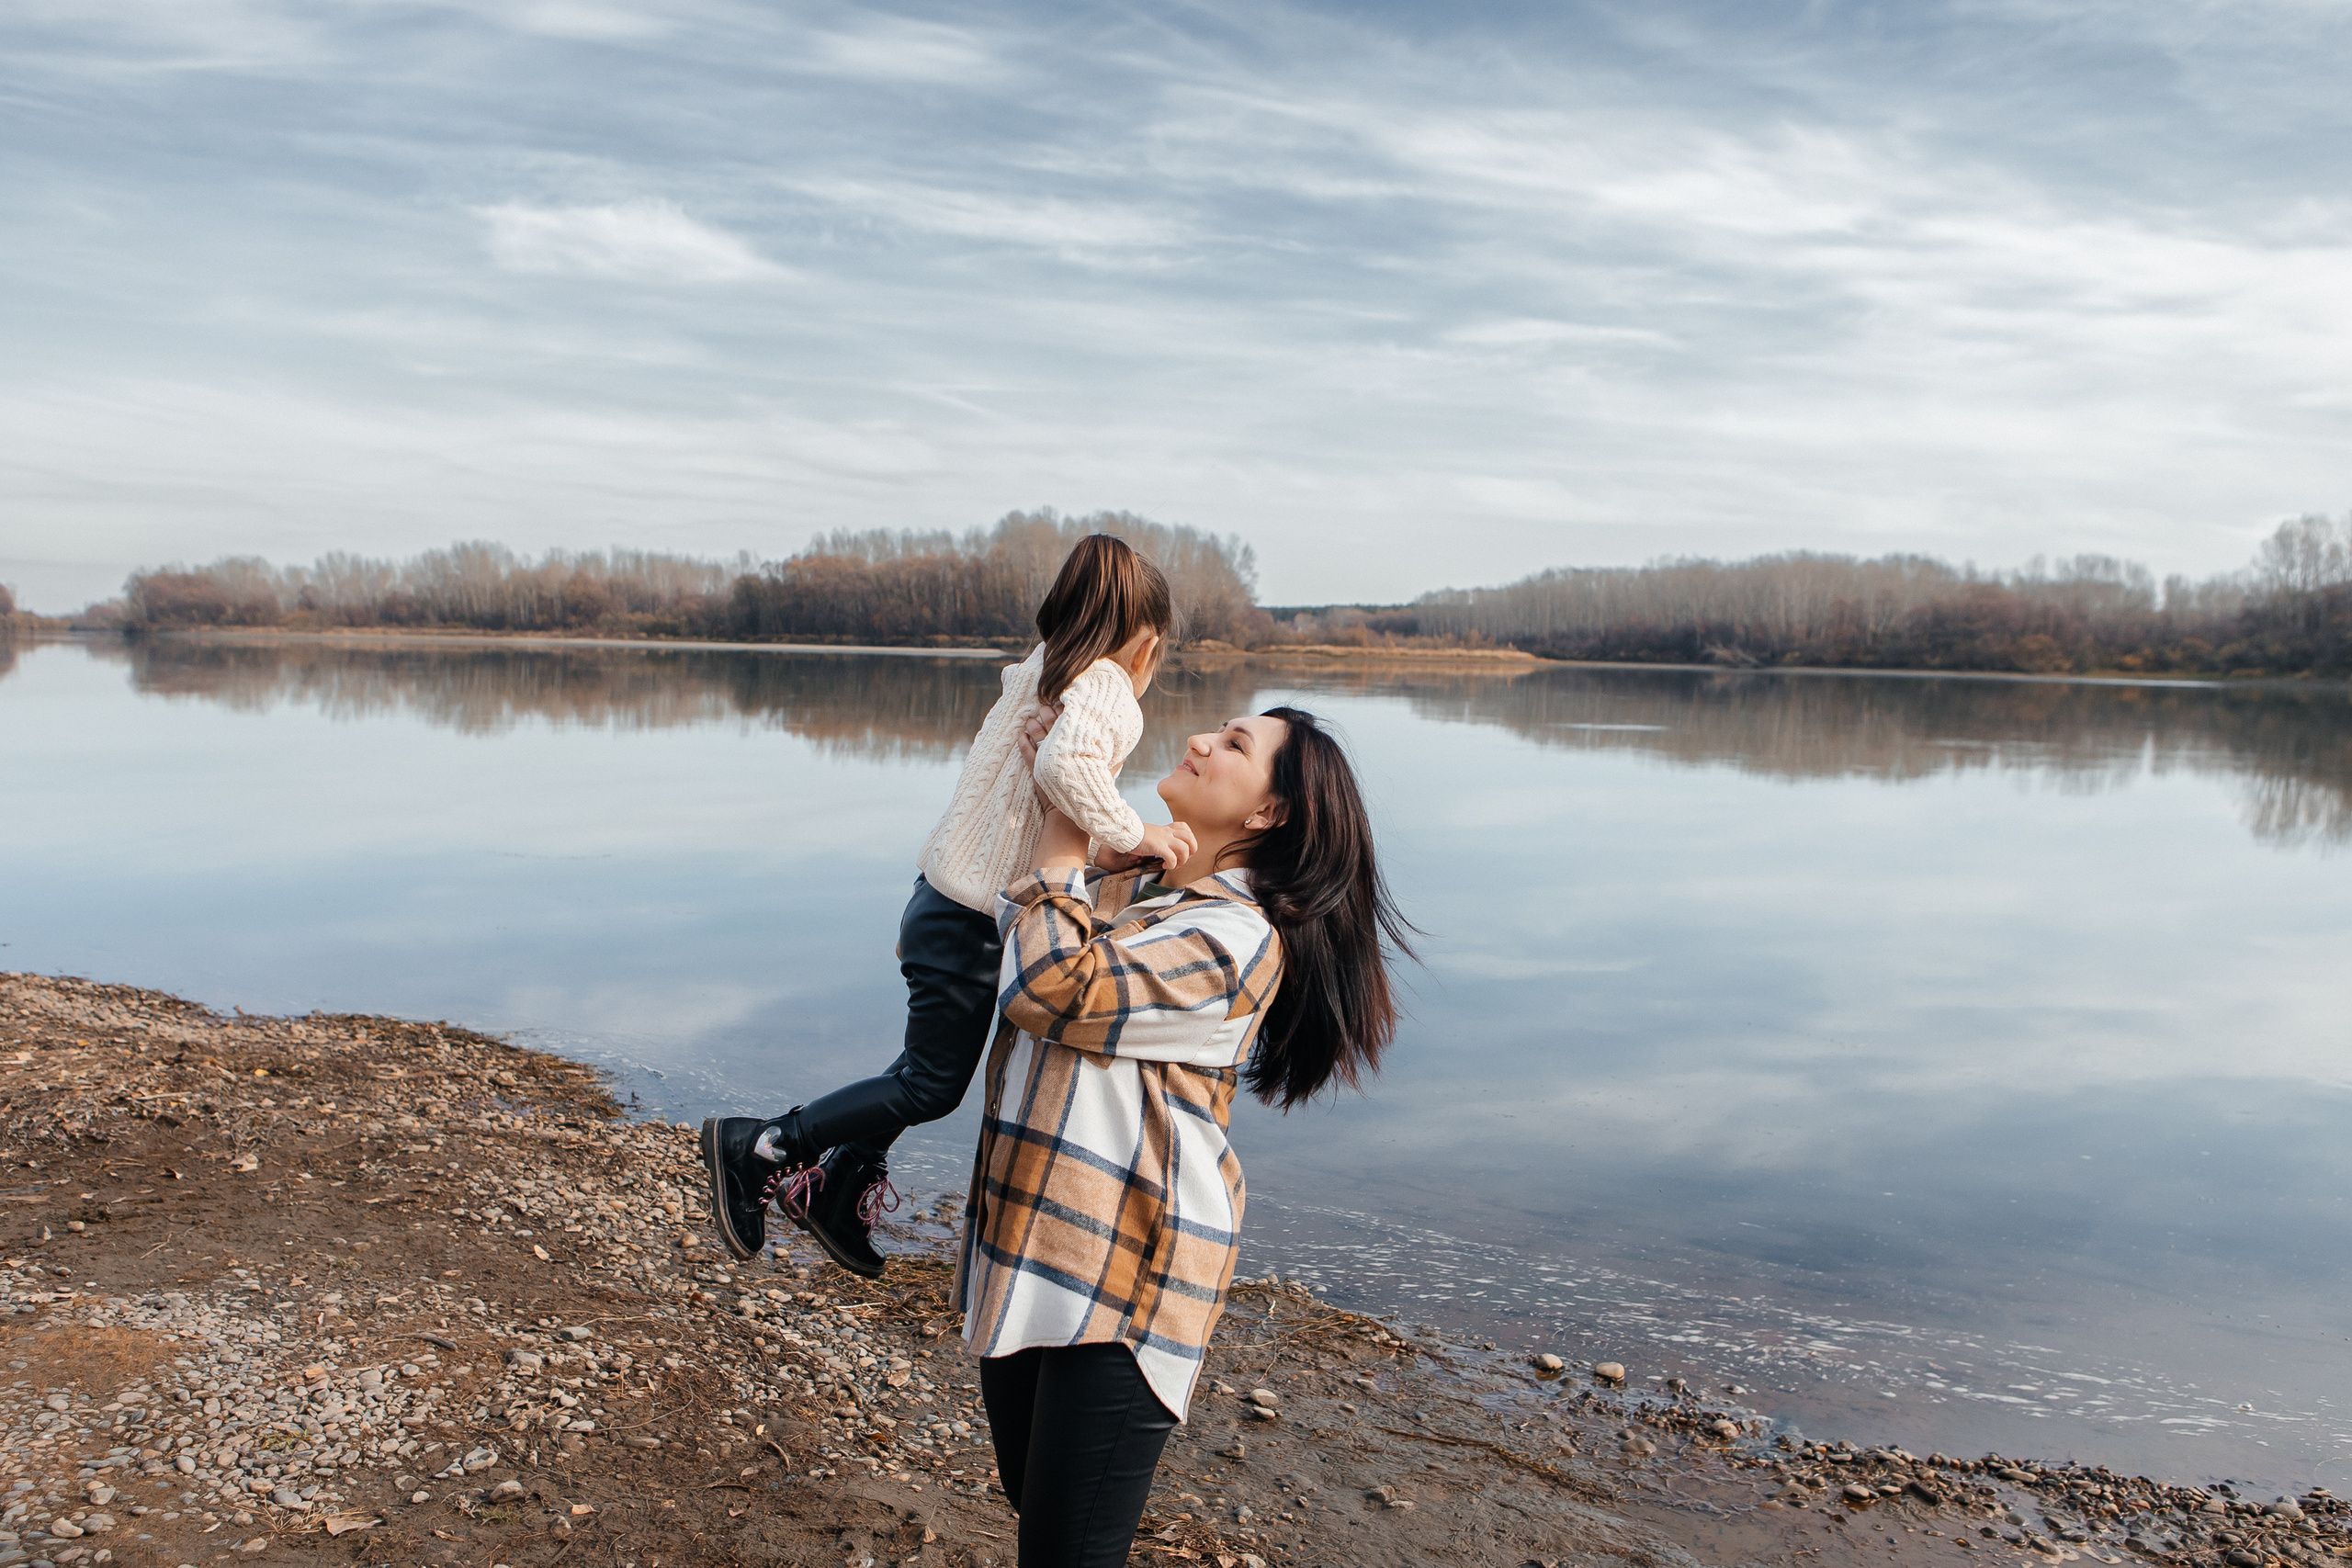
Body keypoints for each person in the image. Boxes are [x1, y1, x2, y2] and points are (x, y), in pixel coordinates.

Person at [959, 705, 1410, 1568]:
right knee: (1039, 1515)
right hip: (1035, 1246)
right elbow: (1017, 913)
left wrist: (1065, 837)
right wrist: (1061, 777)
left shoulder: (1236, 938)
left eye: (1235, 745)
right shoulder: (1147, 892)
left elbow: (1049, 986)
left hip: (1132, 1275)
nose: (1202, 740)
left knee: (1067, 1552)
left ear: (1269, 814)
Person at [700, 534, 1196, 1277]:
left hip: (942, 902)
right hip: (967, 920)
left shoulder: (1044, 669)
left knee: (922, 1065)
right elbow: (1066, 766)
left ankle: (840, 1188)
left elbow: (1038, 809)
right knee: (931, 1084)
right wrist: (1136, 829)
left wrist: (1105, 853)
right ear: (1148, 644)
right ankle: (763, 1144)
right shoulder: (1108, 688)